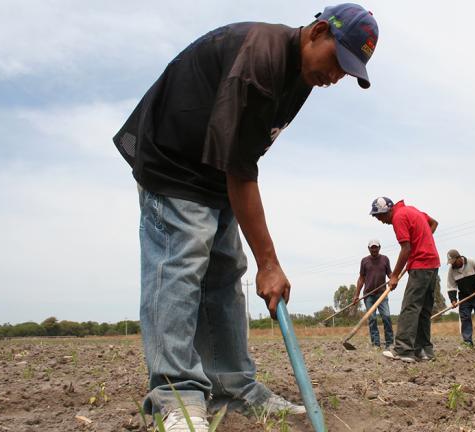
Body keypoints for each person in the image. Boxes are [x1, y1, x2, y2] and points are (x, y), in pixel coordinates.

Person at [112, 4, 379, 430]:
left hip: (213, 171)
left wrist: (260, 258)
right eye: (337, 62)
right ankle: (176, 396)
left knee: (224, 273)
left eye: (348, 72)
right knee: (180, 264)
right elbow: (241, 167)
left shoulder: (303, 75)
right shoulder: (261, 60)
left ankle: (232, 389)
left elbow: (242, 155)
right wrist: (269, 263)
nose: (336, 77)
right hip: (172, 161)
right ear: (318, 32)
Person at [369, 197, 440, 362]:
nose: (380, 221)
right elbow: (434, 223)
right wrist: (422, 241)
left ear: (387, 210)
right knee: (423, 309)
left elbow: (406, 248)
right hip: (432, 263)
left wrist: (394, 275)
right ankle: (424, 351)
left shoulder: (398, 218)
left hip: (420, 264)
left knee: (410, 307)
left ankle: (403, 349)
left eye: (379, 216)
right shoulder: (412, 210)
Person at [446, 249, 475, 347]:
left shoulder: (472, 262)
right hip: (464, 297)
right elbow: (451, 286)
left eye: (454, 262)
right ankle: (467, 342)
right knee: (465, 318)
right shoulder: (451, 270)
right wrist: (453, 300)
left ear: (459, 258)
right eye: (451, 263)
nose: (452, 265)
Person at [353, 239, 394, 349]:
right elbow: (361, 278)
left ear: (379, 248)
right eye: (372, 248)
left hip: (382, 294)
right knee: (372, 319)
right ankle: (376, 344)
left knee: (386, 317)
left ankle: (390, 343)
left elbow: (389, 273)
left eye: (376, 247)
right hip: (368, 295)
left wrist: (393, 279)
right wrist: (356, 295)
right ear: (369, 249)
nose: (374, 249)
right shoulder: (364, 261)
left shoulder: (385, 259)